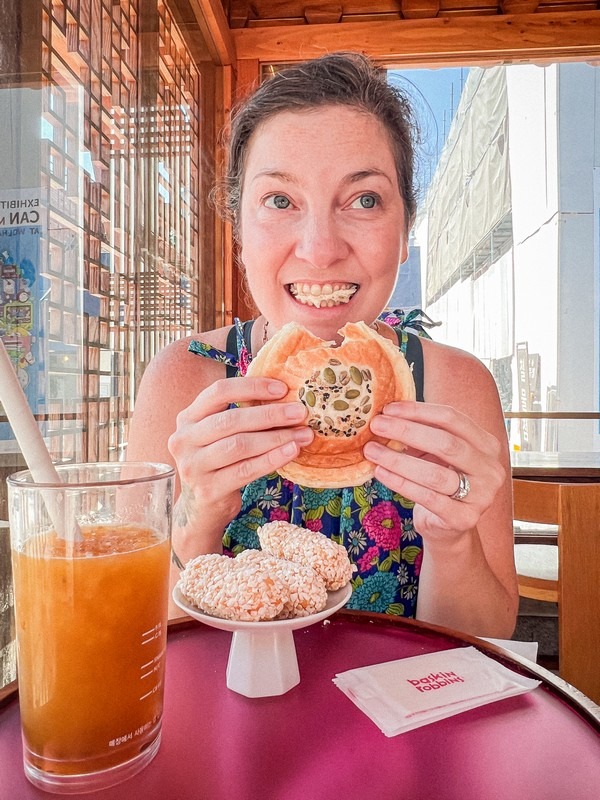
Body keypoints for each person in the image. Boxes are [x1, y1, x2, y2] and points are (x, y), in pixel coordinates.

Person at [127, 52, 518, 637]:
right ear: (239, 232)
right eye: (280, 201)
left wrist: (451, 537)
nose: (320, 248)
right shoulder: (186, 381)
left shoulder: (454, 387)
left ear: (406, 231)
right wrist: (198, 516)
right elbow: (136, 636)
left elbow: (488, 635)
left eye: (364, 200)